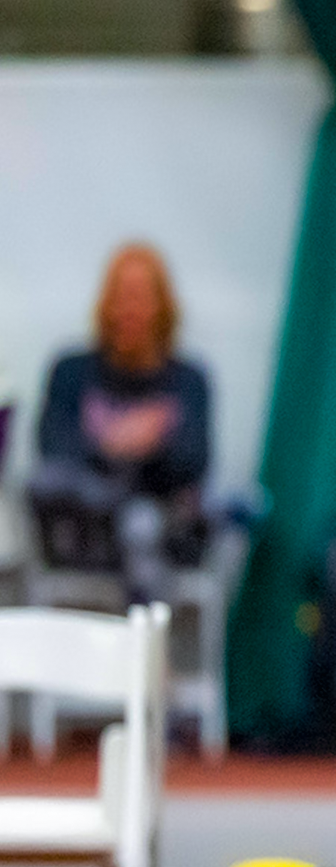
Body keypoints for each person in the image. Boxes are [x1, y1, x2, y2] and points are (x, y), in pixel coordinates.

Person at [31, 241, 213, 603]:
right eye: (121, 296)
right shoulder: (70, 371)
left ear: (163, 306)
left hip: (160, 535)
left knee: (145, 520)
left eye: (141, 298)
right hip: (84, 531)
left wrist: (151, 444)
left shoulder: (189, 381)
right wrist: (117, 442)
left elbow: (193, 462)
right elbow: (51, 448)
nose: (130, 309)